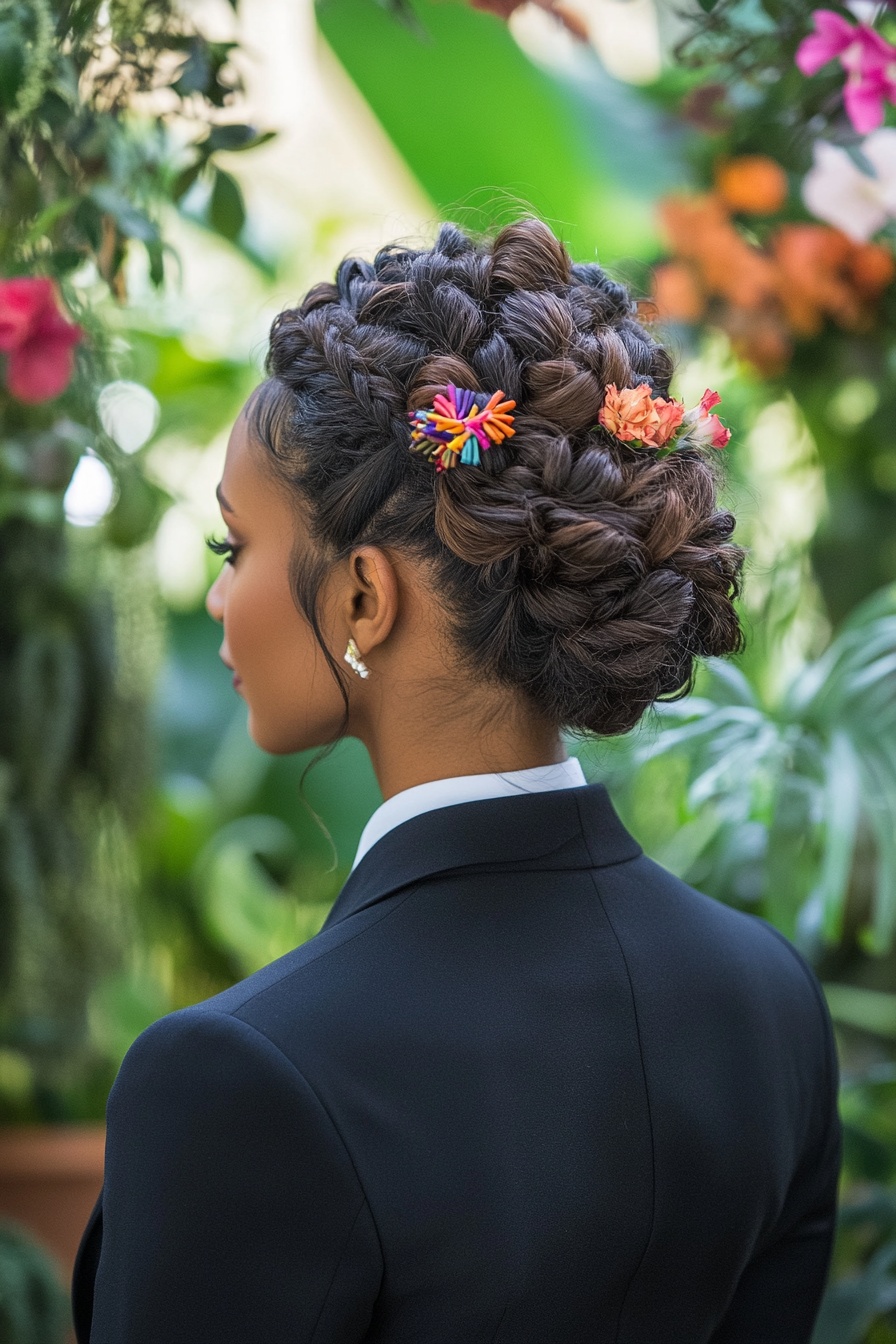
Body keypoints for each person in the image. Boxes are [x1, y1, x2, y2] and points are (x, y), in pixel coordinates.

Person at [72, 217, 841, 1344]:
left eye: (234, 549)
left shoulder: (241, 1079)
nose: (220, 602)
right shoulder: (766, 1003)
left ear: (364, 600)